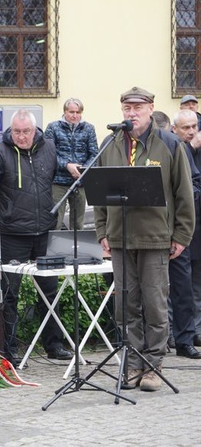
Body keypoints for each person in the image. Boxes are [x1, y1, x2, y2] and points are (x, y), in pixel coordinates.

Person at [94, 87, 194, 392]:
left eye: (138, 107)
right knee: (127, 304)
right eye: (127, 107)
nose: (131, 113)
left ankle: (154, 364)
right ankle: (134, 362)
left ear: (151, 108)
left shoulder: (169, 144)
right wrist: (102, 232)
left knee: (153, 304)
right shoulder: (109, 144)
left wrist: (181, 234)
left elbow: (184, 193)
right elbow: (99, 194)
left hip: (154, 237)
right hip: (121, 238)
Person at [0, 109, 73, 366]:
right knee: (9, 294)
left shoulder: (49, 148)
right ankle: (9, 349)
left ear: (35, 130)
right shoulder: (0, 153)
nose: (21, 137)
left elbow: (58, 173)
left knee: (50, 291)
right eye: (16, 132)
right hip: (12, 234)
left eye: (26, 131)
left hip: (45, 232)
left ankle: (54, 345)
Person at [168, 110, 201, 358]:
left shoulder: (188, 151)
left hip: (182, 229)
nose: (190, 131)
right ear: (174, 129)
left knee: (183, 289)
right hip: (157, 226)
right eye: (185, 127)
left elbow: (195, 184)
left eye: (194, 127)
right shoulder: (170, 147)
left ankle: (184, 339)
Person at [43, 98, 98, 230]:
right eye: (71, 112)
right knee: (55, 221)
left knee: (78, 223)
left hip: (80, 181)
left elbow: (94, 154)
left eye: (78, 112)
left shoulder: (89, 129)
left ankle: (77, 250)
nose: (74, 115)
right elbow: (48, 153)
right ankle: (54, 249)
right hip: (58, 181)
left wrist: (82, 169)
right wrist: (67, 165)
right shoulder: (53, 127)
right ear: (65, 112)